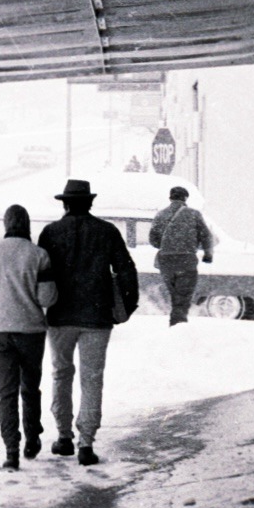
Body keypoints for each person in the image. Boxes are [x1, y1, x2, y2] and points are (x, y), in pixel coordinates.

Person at [36, 179, 139, 466]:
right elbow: (126, 270)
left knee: (61, 374)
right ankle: (86, 443)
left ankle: (64, 437)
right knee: (92, 379)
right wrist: (125, 307)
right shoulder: (107, 232)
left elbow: (41, 274)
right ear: (90, 203)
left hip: (60, 316)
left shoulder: (50, 232)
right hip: (97, 317)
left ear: (65, 204)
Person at [0, 205, 58, 471]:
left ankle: (11, 452)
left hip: (0, 333)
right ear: (27, 224)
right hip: (31, 332)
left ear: (6, 224)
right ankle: (32, 440)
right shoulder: (39, 255)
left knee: (6, 393)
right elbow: (47, 297)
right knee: (30, 389)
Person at [148, 186, 214, 326]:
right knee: (184, 295)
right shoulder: (194, 214)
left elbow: (153, 240)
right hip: (186, 259)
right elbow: (206, 236)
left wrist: (168, 245)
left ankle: (176, 321)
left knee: (174, 294)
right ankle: (178, 323)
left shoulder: (161, 215)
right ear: (185, 198)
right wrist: (208, 254)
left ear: (170, 198)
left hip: (166, 260)